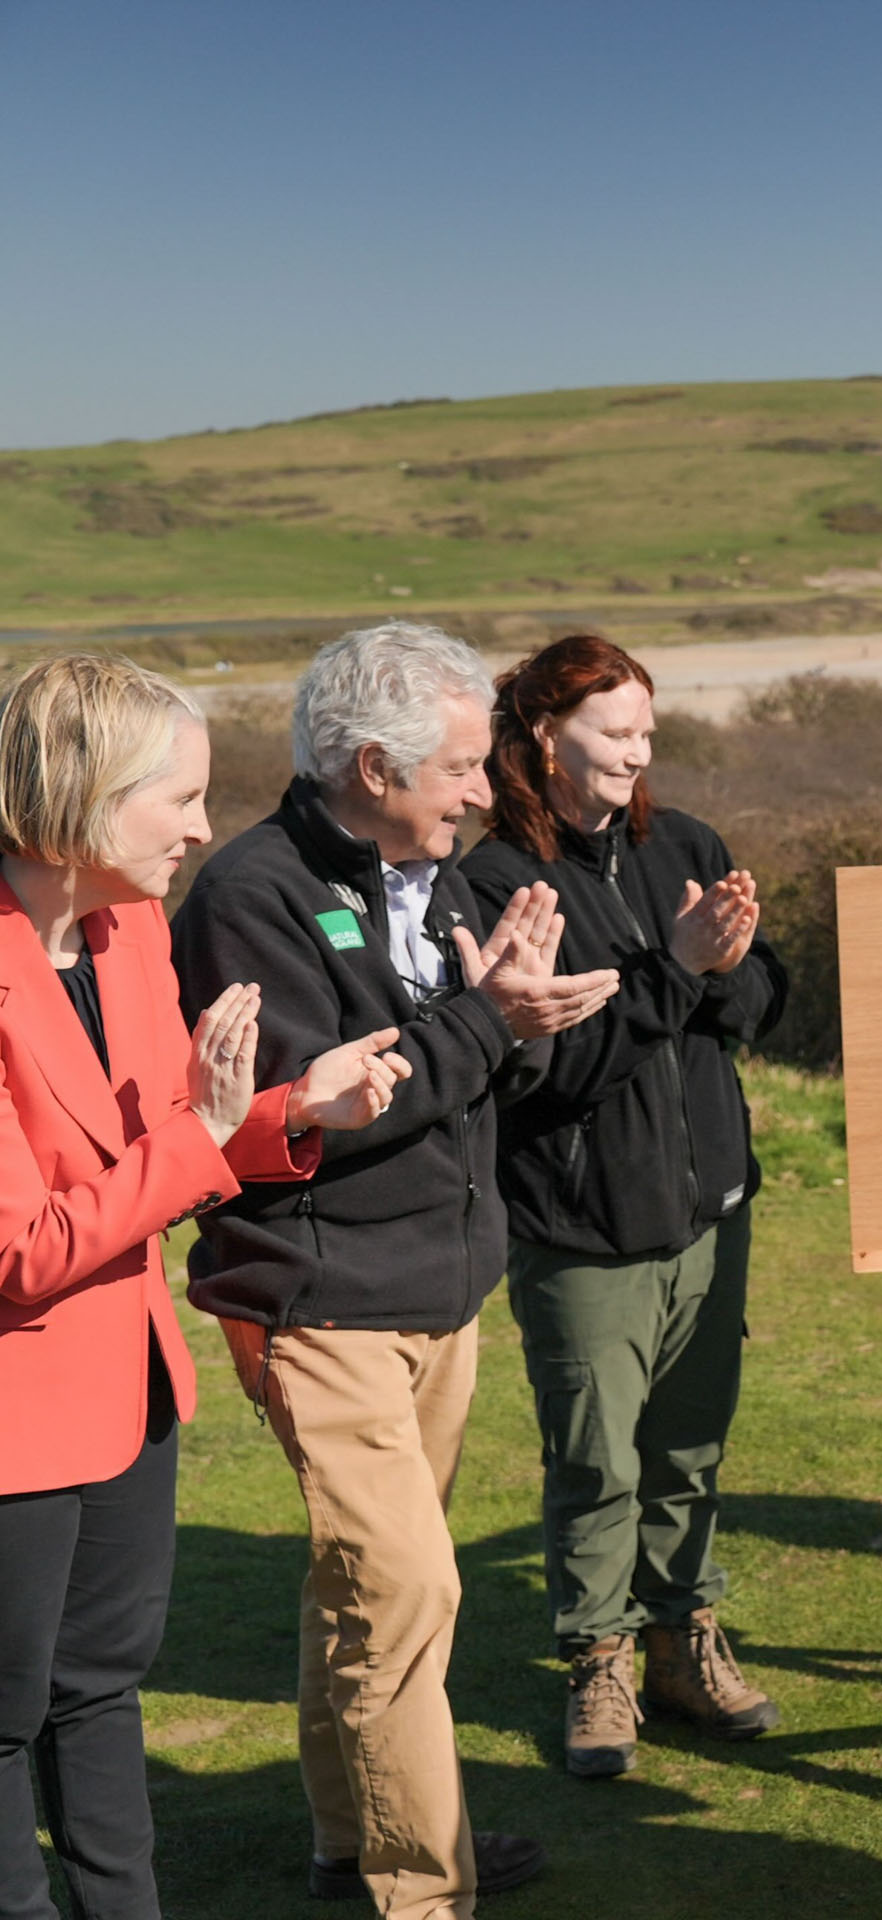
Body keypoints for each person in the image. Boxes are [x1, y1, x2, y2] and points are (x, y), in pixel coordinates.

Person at [169, 624, 620, 1919]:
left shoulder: (447, 877)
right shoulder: (249, 896)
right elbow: (337, 1105)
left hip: (440, 1296)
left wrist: (519, 1025)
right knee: (408, 1589)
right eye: (466, 768)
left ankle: (354, 1836)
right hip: (324, 1304)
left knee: (362, 1592)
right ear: (372, 765)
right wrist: (487, 1021)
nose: (485, 794)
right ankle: (424, 1887)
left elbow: (477, 1082)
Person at [0, 655, 406, 1920]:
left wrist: (296, 1109)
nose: (199, 825)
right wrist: (207, 1133)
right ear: (76, 799)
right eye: (175, 797)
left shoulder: (128, 933)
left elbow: (181, 1131)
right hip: (16, 1423)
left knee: (103, 1686)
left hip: (129, 1388)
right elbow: (20, 1252)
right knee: (5, 1721)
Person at [462, 634, 788, 1779]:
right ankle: (597, 1662)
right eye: (616, 733)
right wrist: (678, 973)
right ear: (547, 737)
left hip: (711, 1211)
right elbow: (545, 1071)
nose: (638, 753)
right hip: (581, 1226)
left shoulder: (684, 843)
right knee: (597, 1458)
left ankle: (683, 1639)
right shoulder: (496, 880)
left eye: (648, 731)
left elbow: (761, 1000)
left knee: (690, 1446)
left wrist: (730, 964)